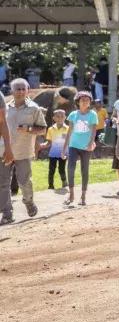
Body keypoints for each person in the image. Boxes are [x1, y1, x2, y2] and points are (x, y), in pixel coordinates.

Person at [0, 78, 45, 223]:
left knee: (24, 182)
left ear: (28, 90)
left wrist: (29, 129)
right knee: (3, 183)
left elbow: (43, 129)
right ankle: (7, 213)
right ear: (11, 91)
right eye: (17, 89)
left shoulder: (34, 108)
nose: (20, 91)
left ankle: (28, 202)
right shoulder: (5, 108)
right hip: (4, 151)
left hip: (23, 152)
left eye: (22, 89)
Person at [62, 92, 98, 207]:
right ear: (78, 102)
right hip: (73, 145)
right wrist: (64, 148)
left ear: (90, 102)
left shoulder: (92, 114)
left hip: (86, 147)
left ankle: (83, 195)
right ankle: (71, 194)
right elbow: (69, 131)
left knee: (84, 170)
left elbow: (94, 131)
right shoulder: (73, 114)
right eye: (82, 99)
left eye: (87, 100)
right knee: (70, 168)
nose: (85, 101)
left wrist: (91, 143)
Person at [41, 109, 68, 189]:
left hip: (63, 153)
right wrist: (42, 145)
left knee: (61, 169)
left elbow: (70, 142)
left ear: (65, 117)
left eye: (62, 116)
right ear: (54, 118)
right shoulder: (50, 129)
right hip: (53, 153)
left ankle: (64, 182)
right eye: (57, 116)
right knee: (51, 170)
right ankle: (50, 186)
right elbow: (49, 142)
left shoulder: (68, 129)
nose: (60, 118)